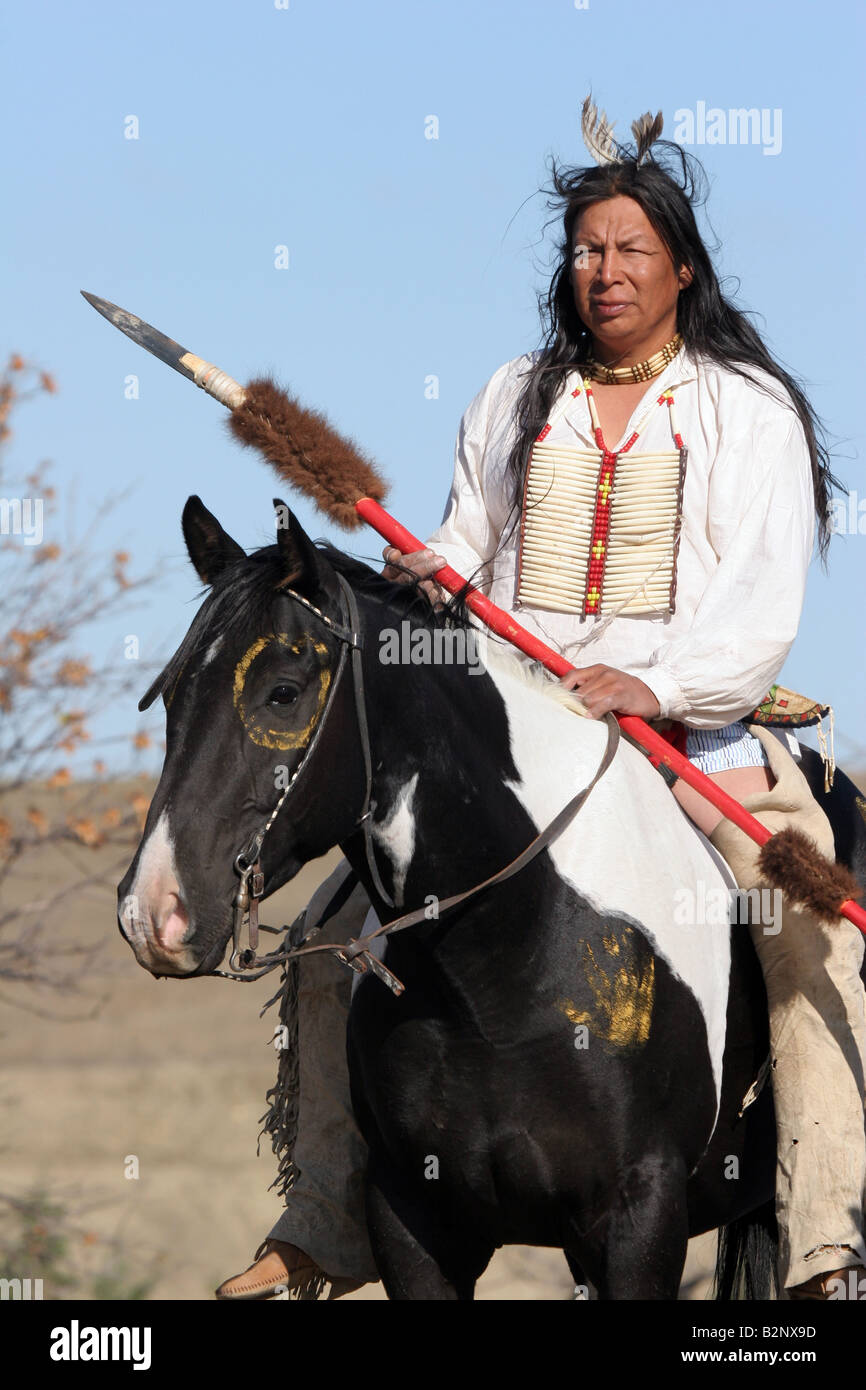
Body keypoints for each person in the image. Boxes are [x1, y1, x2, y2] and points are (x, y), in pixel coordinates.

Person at [216, 98, 866, 1302]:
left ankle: (821, 1241)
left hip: (691, 733)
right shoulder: (516, 393)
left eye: (627, 249)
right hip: (514, 735)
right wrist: (436, 574)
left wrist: (652, 681)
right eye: (583, 249)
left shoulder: (745, 408)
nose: (602, 270)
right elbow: (466, 544)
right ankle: (320, 1217)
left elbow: (756, 609)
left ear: (680, 266)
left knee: (811, 925)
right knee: (325, 938)